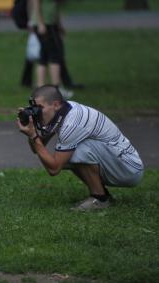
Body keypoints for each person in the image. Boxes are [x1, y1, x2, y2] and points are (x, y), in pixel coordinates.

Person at [16, 85, 144, 211]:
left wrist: (33, 136)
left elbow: (54, 169)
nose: (36, 111)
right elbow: (36, 148)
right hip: (117, 162)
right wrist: (31, 124)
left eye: (39, 108)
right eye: (33, 108)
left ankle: (100, 198)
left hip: (129, 169)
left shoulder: (72, 122)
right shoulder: (63, 110)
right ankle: (102, 194)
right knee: (69, 152)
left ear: (55, 104)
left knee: (76, 151)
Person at [28, 0, 74, 98]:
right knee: (54, 55)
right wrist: (40, 23)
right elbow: (36, 3)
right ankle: (56, 90)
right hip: (45, 24)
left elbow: (55, 7)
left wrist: (59, 24)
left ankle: (40, 89)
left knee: (44, 55)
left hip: (51, 23)